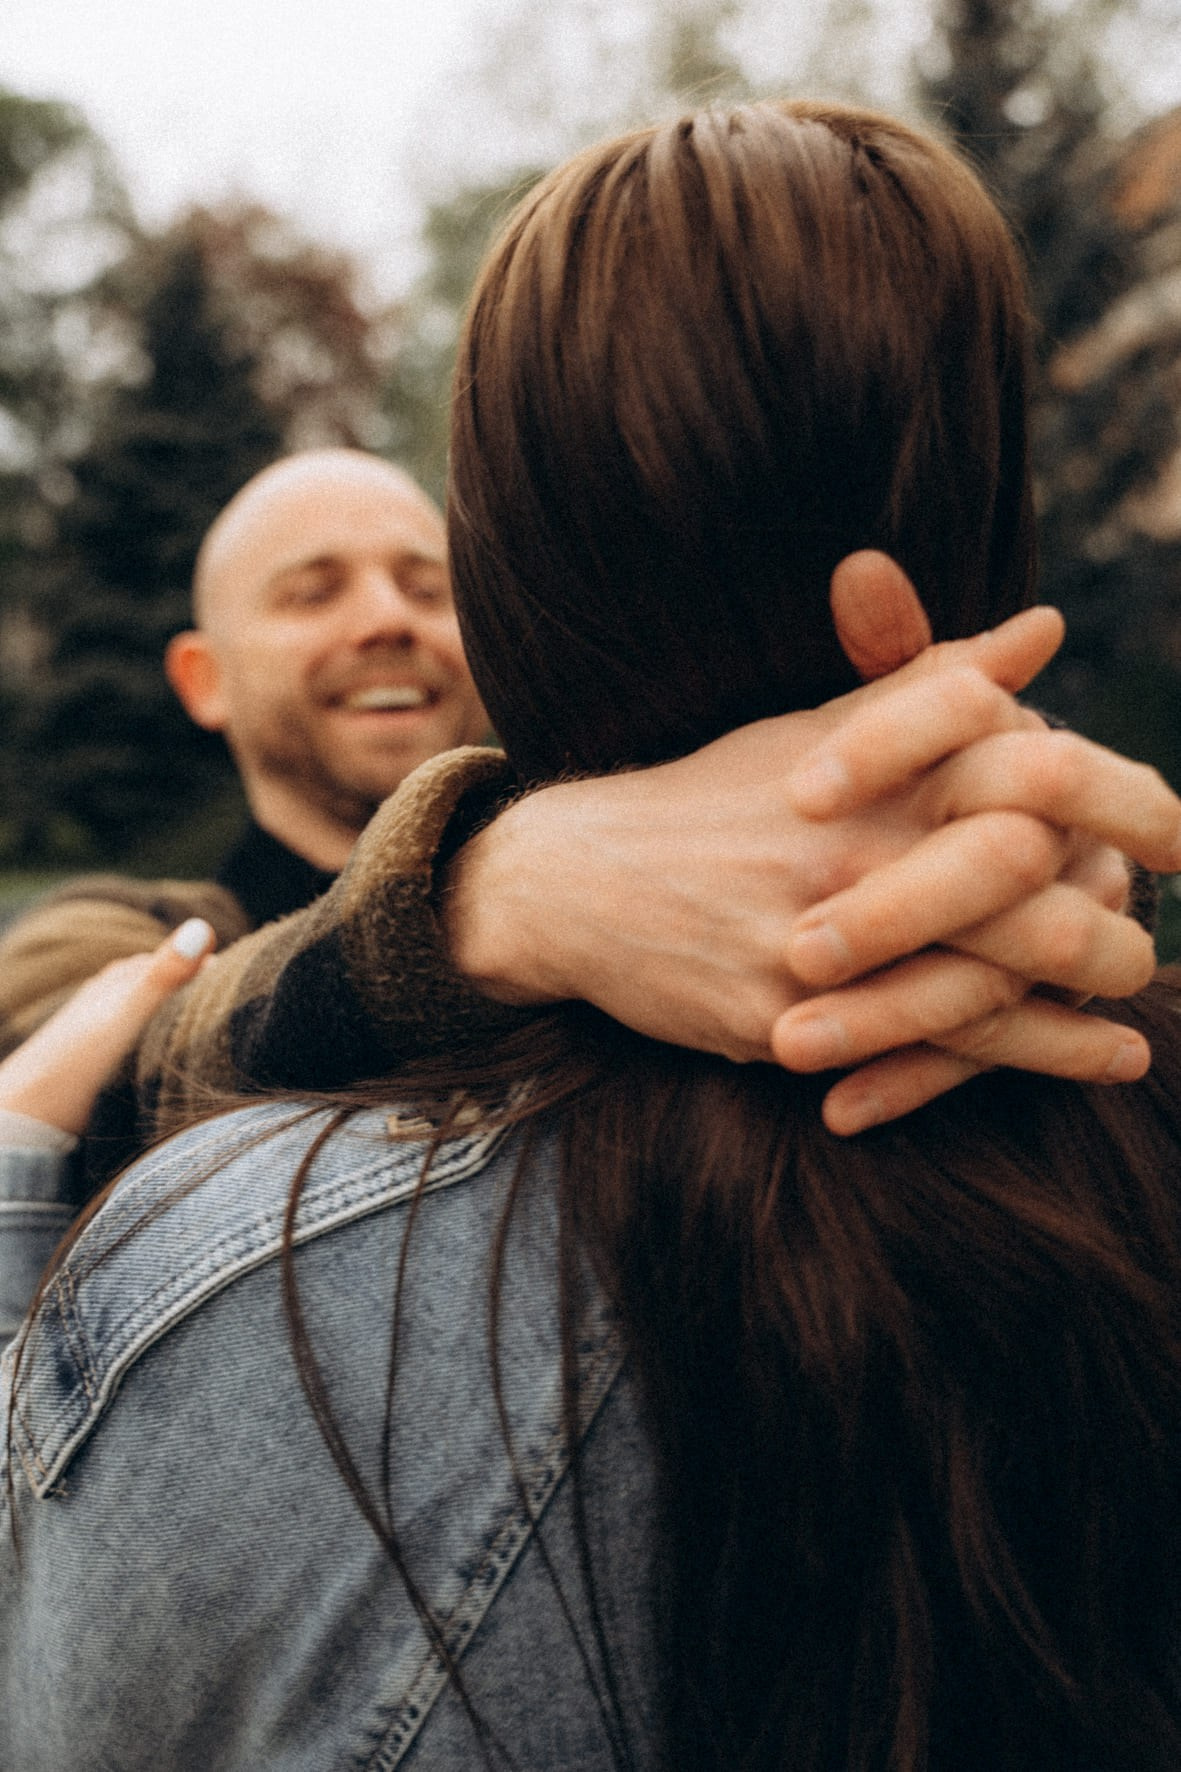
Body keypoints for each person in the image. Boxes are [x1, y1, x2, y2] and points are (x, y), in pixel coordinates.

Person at [5, 98, 1181, 1771]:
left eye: (417, 571)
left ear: (504, 591)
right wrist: (486, 895)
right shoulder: (158, 934)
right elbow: (111, 1007)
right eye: (310, 588)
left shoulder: (242, 1291)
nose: (384, 619)